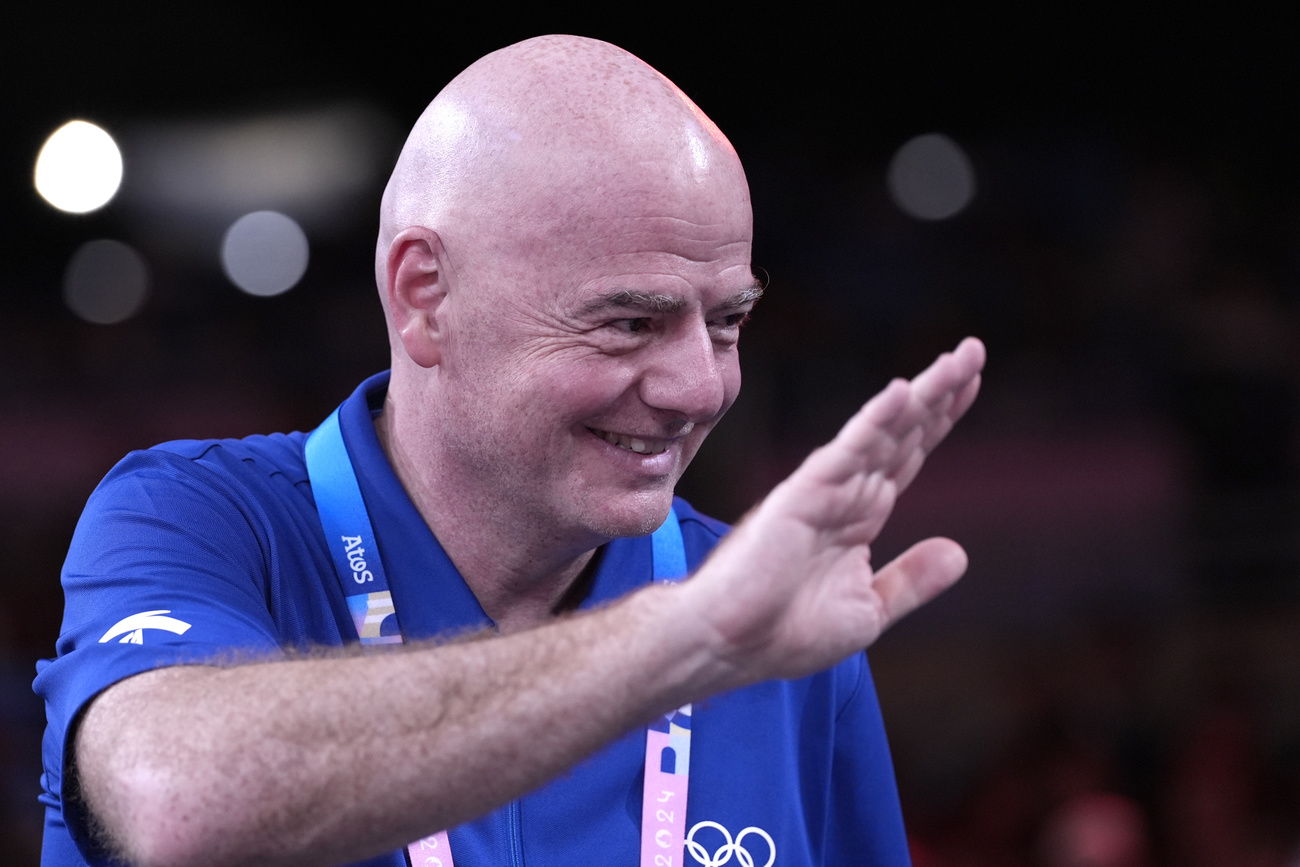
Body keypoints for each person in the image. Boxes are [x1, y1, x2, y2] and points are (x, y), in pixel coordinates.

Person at [35, 34, 985, 867]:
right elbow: (174, 804)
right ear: (424, 297)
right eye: (628, 322)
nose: (700, 388)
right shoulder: (200, 520)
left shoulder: (774, 619)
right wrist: (685, 637)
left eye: (728, 319)